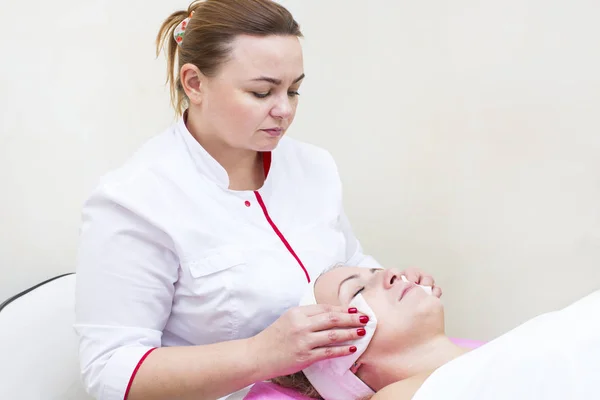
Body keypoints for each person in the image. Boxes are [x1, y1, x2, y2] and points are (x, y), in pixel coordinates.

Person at [73, 1, 442, 400]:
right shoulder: (135, 201)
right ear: (194, 83)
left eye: (294, 89)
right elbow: (109, 373)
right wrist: (259, 355)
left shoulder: (313, 167)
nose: (284, 110)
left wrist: (395, 287)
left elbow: (351, 265)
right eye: (261, 91)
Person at [272, 266, 600, 400]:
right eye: (356, 290)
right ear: (344, 359)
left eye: (376, 270)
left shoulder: (508, 352)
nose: (389, 274)